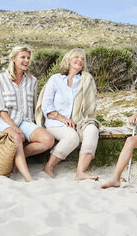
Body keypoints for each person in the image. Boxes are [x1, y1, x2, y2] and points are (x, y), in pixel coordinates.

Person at [0, 46, 54, 182]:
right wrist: (16, 129)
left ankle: (17, 158)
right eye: (23, 57)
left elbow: (35, 106)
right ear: (14, 58)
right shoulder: (0, 79)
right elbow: (1, 110)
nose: (26, 60)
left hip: (25, 120)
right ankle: (28, 178)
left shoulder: (33, 81)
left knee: (48, 140)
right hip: (4, 120)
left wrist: (38, 126)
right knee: (17, 138)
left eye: (28, 58)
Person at [35, 48, 100, 181]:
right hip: (55, 122)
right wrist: (64, 119)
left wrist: (76, 121)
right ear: (68, 60)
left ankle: (81, 172)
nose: (80, 60)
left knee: (92, 129)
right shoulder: (55, 79)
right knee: (72, 137)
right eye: (76, 57)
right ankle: (48, 167)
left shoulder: (85, 80)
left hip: (79, 121)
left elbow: (90, 105)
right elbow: (47, 107)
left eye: (82, 59)